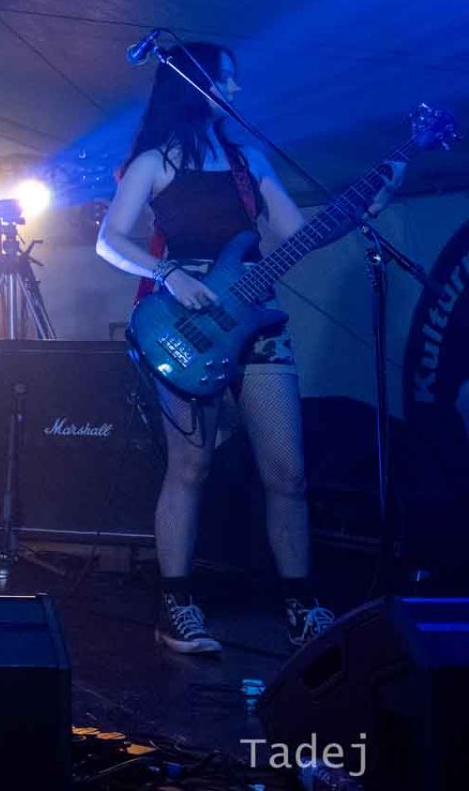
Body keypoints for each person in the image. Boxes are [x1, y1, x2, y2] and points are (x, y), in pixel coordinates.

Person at [97, 42, 397, 654]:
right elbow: (109, 240)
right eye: (226, 79)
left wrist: (363, 204)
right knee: (191, 467)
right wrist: (167, 275)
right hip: (185, 321)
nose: (235, 90)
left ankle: (301, 605)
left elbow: (296, 233)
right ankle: (177, 606)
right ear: (194, 85)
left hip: (259, 324)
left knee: (288, 473)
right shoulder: (153, 162)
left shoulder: (248, 160)